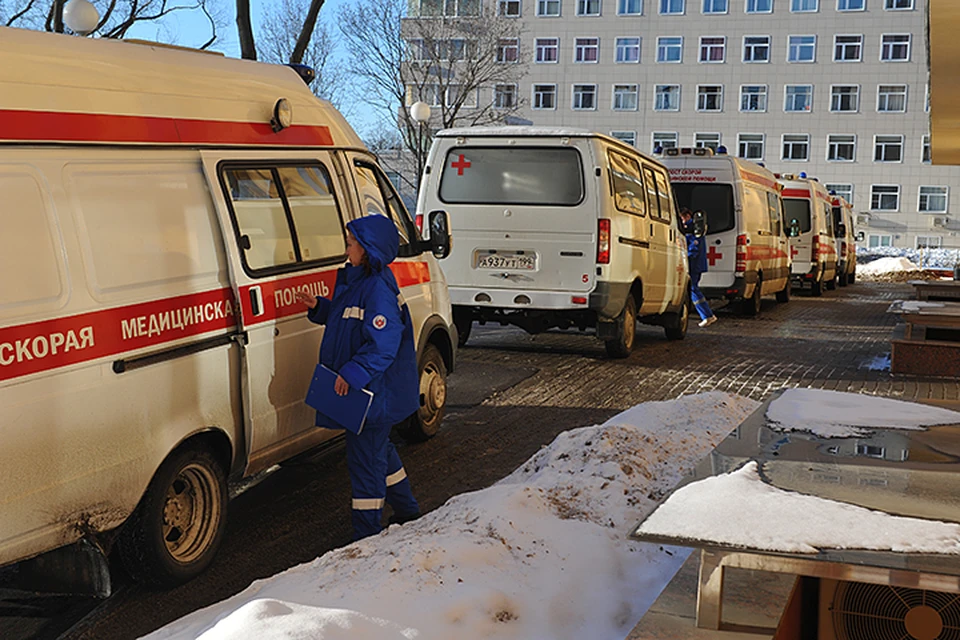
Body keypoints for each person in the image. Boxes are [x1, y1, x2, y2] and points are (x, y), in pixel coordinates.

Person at [295, 215, 421, 541]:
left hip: (372, 394)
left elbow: (383, 343)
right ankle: (407, 510)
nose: (347, 247)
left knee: (366, 463)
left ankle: (367, 537)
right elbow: (345, 320)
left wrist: (352, 374)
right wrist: (320, 307)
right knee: (381, 452)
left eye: (351, 243)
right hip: (372, 394)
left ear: (367, 249)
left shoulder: (376, 288)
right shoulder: (361, 281)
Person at [680, 207, 717, 328]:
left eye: (683, 218)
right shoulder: (694, 228)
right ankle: (707, 315)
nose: (682, 221)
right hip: (695, 264)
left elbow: (694, 248)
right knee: (693, 289)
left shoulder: (695, 229)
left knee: (693, 289)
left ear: (687, 216)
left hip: (694, 265)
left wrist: (684, 258)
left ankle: (707, 315)